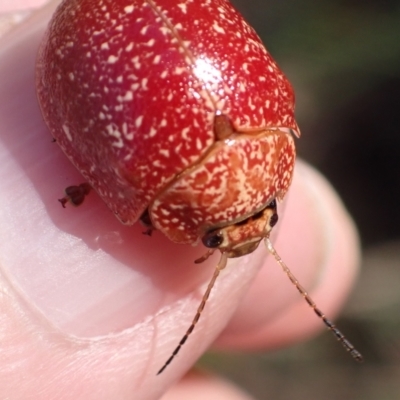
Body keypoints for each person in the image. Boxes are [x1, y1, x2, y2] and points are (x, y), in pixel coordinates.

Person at [0, 1, 360, 399]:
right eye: (214, 236)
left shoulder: (258, 132)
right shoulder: (147, 176)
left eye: (214, 236)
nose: (247, 241)